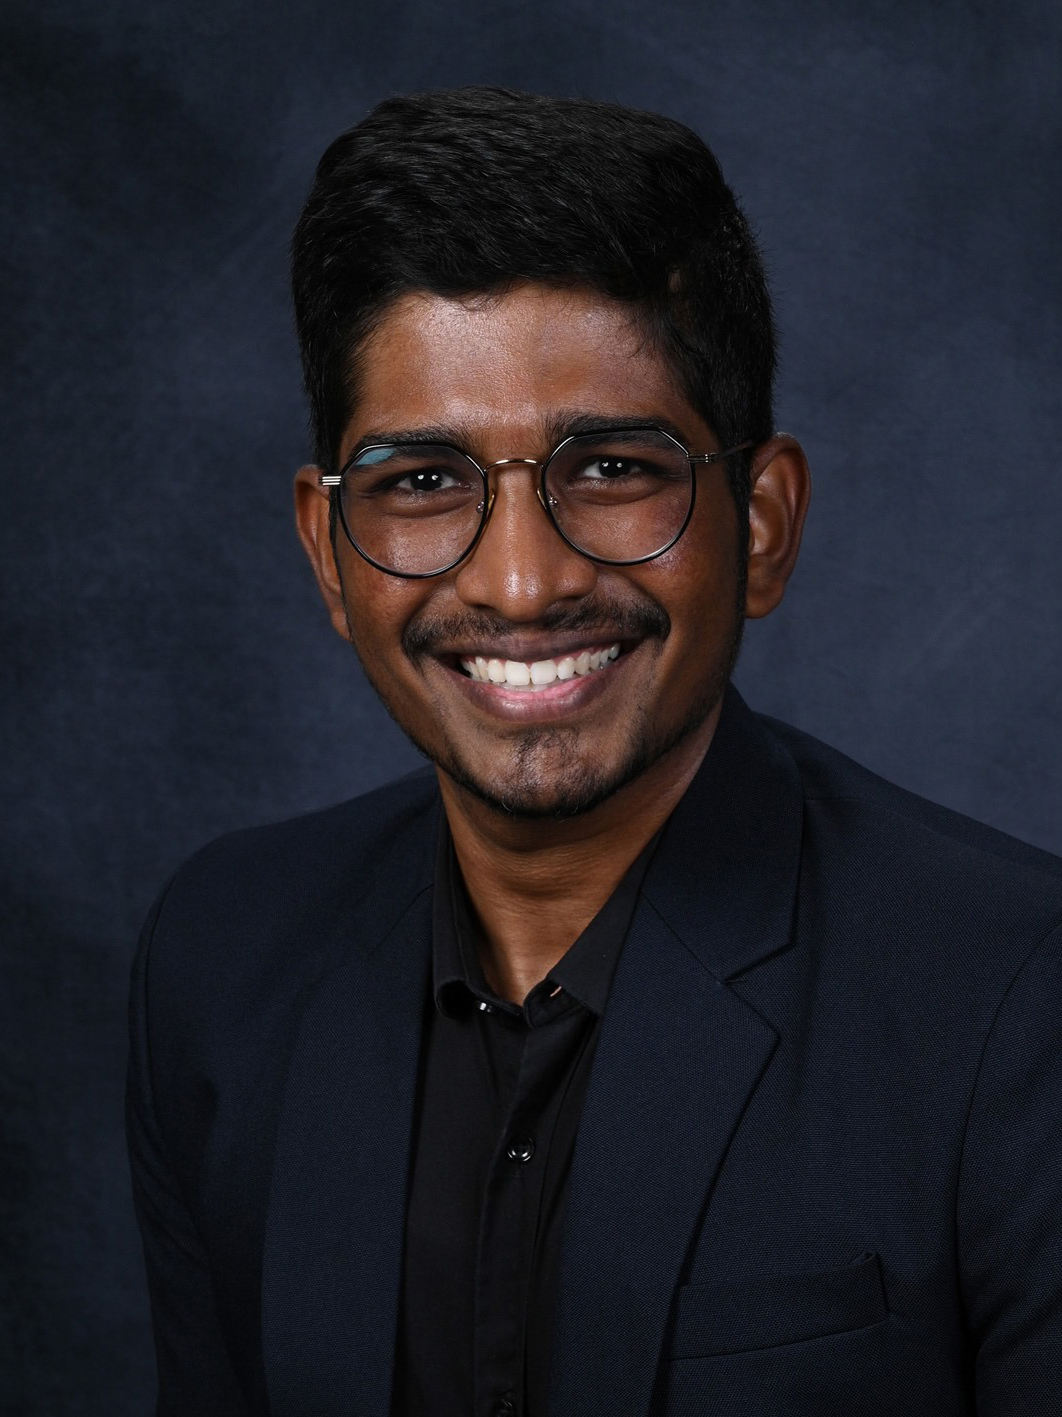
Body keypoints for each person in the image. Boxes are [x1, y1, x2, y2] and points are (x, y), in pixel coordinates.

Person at [126, 87, 1062, 1417]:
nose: (518, 580)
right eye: (424, 481)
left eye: (614, 468)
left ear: (764, 521)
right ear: (326, 554)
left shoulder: (1019, 1006)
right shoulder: (220, 963)